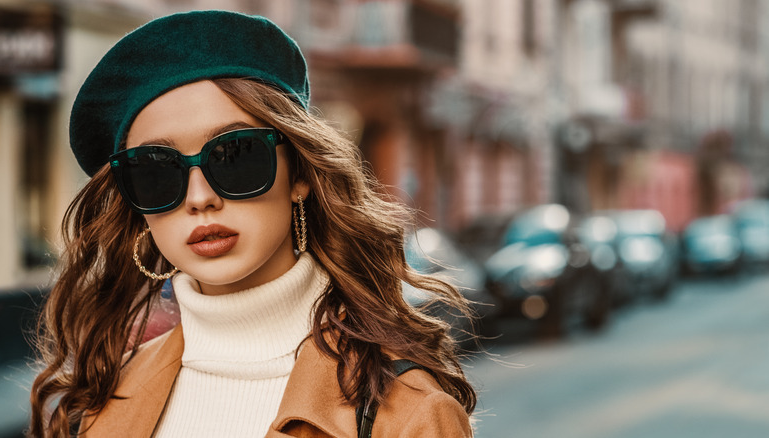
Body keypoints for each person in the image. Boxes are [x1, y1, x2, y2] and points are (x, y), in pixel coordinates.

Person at [29, 10, 475, 438]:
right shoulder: (107, 399)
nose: (200, 198)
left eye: (235, 156)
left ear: (300, 174)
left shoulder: (409, 414)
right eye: (156, 172)